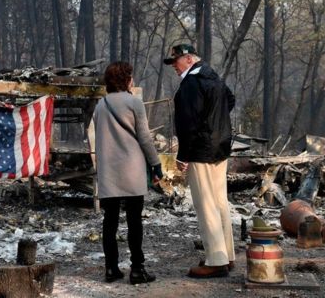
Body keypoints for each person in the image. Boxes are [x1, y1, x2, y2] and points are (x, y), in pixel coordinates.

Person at [163, 44, 236, 278]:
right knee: (219, 202)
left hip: (201, 150)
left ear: (188, 58)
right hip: (220, 146)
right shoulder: (212, 76)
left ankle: (216, 260)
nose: (173, 65)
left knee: (206, 204)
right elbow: (229, 100)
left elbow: (188, 123)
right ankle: (227, 254)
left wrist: (183, 154)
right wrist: (216, 124)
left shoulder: (191, 83)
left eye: (175, 61)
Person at [93, 61, 164, 284]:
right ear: (126, 80)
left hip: (108, 172)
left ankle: (111, 269)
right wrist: (155, 163)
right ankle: (137, 269)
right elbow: (144, 137)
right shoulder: (134, 103)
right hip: (132, 169)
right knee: (134, 221)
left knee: (110, 222)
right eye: (130, 76)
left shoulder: (100, 106)